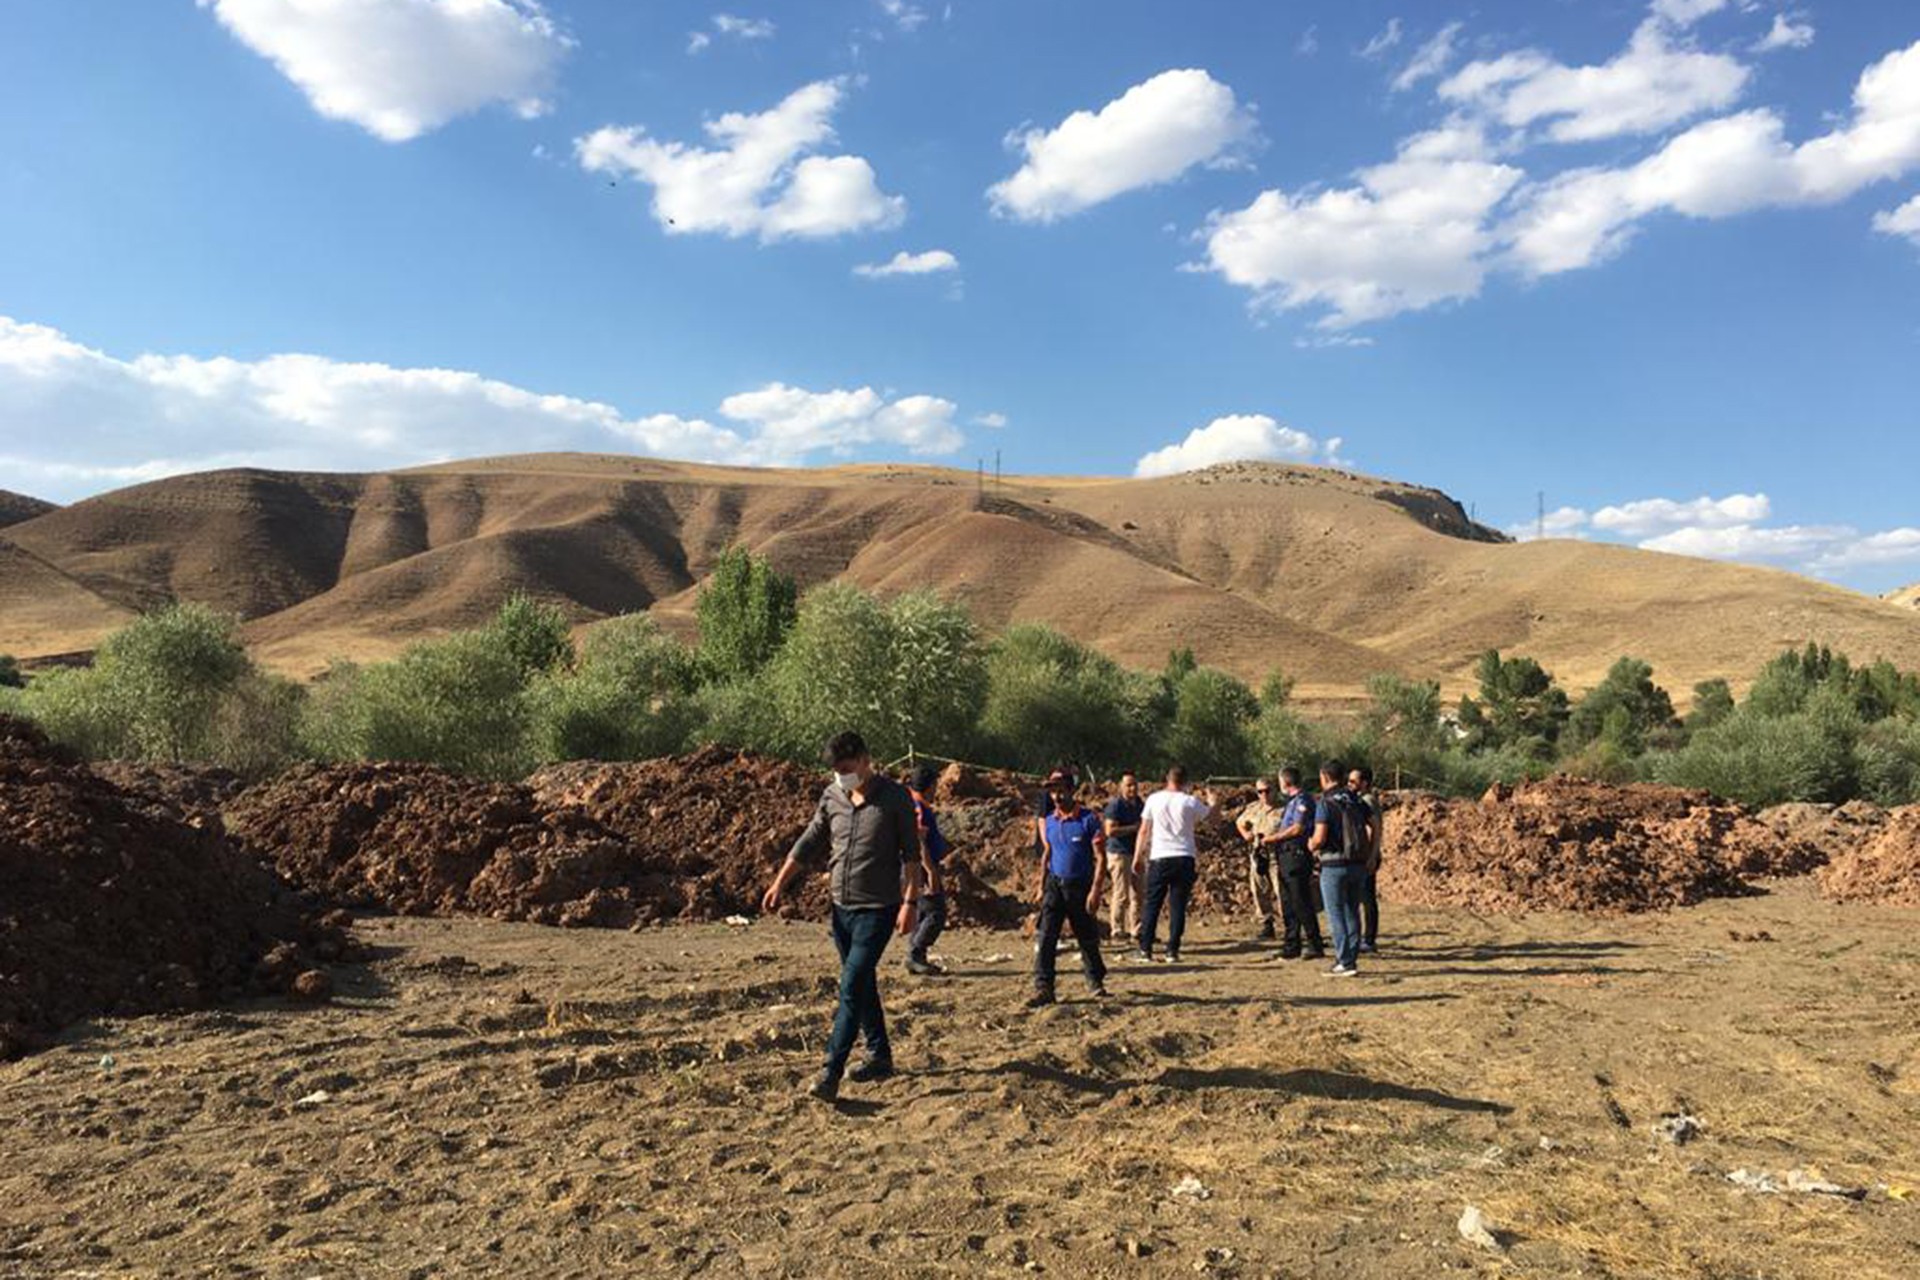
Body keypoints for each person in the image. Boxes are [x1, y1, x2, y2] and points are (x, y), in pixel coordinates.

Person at [763, 731, 923, 1102]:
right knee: (861, 981)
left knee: (850, 985)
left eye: (847, 769)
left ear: (866, 760)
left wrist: (910, 902)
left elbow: (911, 855)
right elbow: (810, 839)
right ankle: (879, 1054)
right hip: (840, 909)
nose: (841, 776)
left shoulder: (895, 799)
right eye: (836, 770)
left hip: (878, 909)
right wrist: (779, 884)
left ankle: (830, 1071)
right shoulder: (832, 796)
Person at [1028, 768, 1109, 1006]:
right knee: (1046, 936)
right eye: (1053, 792)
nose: (1056, 796)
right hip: (1055, 884)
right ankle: (1044, 987)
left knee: (1086, 936)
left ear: (1071, 791)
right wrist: (1041, 885)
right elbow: (1048, 852)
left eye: (1061, 791)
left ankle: (1095, 981)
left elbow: (1101, 858)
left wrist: (1096, 890)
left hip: (1080, 886)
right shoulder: (1051, 822)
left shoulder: (1088, 820)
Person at [1134, 765, 1218, 964]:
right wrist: (1214, 803)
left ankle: (1145, 949)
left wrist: (1138, 856)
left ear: (1167, 779)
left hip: (1160, 857)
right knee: (1178, 905)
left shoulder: (1154, 799)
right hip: (1184, 857)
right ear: (1185, 781)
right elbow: (1213, 820)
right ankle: (1172, 950)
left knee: (1152, 904)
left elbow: (1144, 830)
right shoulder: (1190, 801)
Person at [1309, 759, 1375, 978]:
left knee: (1335, 913)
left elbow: (1319, 838)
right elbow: (1374, 825)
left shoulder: (1325, 802)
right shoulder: (1355, 799)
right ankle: (1351, 958)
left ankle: (1344, 962)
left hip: (1333, 865)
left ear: (1325, 777)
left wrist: (1310, 844)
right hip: (1357, 864)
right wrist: (1371, 853)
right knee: (1352, 912)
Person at [1271, 767, 1325, 961]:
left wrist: (1273, 838)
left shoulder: (1303, 800)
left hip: (1296, 853)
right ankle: (1291, 944)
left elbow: (1298, 828)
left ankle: (1314, 943)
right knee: (1287, 902)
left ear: (1285, 782)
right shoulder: (1291, 802)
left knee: (1301, 901)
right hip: (1285, 855)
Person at [905, 764, 950, 976]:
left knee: (923, 911)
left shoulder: (914, 804)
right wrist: (931, 871)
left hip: (916, 866)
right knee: (936, 912)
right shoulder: (918, 808)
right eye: (935, 785)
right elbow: (918, 840)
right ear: (929, 786)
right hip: (921, 867)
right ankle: (915, 953)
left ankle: (916, 956)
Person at [1234, 777, 1286, 941]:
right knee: (1259, 890)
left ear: (1275, 790)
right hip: (1258, 856)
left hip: (1277, 855)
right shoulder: (1253, 808)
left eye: (1267, 790)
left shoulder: (1284, 809)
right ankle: (1267, 924)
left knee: (1282, 892)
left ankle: (1290, 926)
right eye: (1260, 791)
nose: (1264, 795)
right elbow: (1240, 822)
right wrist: (1246, 835)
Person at [1101, 772, 1145, 941]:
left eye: (1134, 784)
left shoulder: (1140, 804)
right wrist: (1133, 828)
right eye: (1128, 785)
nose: (1132, 788)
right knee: (1121, 893)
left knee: (1139, 893)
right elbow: (1110, 830)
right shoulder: (1115, 805)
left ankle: (1137, 929)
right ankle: (1117, 929)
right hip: (1119, 853)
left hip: (1136, 853)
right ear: (1121, 787)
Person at [1349, 765, 1384, 953]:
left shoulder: (1368, 801)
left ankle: (1369, 939)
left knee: (1367, 898)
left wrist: (1371, 856)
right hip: (1364, 856)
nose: (1350, 784)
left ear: (1365, 783)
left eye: (1354, 781)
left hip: (1367, 856)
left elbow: (1375, 830)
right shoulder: (1360, 800)